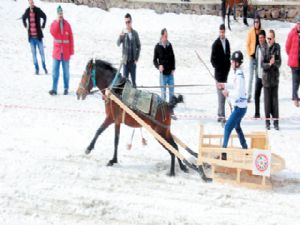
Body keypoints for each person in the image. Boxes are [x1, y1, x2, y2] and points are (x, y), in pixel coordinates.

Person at [217, 51, 248, 153]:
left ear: (237, 63)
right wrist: (224, 85)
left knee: (227, 127)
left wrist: (228, 94)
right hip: (240, 107)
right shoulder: (238, 73)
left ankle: (223, 152)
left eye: (232, 61)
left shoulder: (239, 75)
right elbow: (234, 86)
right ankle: (245, 148)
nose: (231, 63)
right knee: (237, 127)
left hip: (240, 108)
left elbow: (238, 94)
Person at [49, 6, 74, 96]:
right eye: (59, 13)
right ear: (57, 14)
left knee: (66, 72)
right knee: (55, 71)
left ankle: (66, 88)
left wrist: (71, 51)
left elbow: (71, 38)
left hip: (66, 53)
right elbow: (53, 32)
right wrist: (57, 22)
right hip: (57, 53)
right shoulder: (54, 23)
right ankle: (54, 89)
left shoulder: (67, 24)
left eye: (61, 13)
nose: (60, 15)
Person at [211, 24, 231, 125]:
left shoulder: (227, 42)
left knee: (222, 95)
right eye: (221, 32)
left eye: (223, 32)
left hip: (225, 74)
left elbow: (228, 56)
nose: (222, 34)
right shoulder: (215, 44)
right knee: (221, 96)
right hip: (219, 75)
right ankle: (222, 116)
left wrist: (228, 68)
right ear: (219, 32)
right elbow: (212, 60)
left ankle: (220, 114)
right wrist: (217, 67)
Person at [262, 30, 281, 130]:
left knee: (275, 102)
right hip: (266, 80)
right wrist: (269, 64)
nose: (268, 40)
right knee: (267, 102)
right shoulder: (264, 48)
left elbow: (279, 63)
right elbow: (262, 64)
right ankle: (267, 122)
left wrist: (274, 63)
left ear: (274, 38)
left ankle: (276, 122)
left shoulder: (277, 47)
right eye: (267, 38)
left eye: (270, 38)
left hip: (274, 79)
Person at [22, 0, 47, 75]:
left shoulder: (38, 10)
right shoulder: (27, 11)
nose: (31, 4)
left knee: (42, 53)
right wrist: (26, 26)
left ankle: (44, 67)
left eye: (32, 2)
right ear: (29, 3)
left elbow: (45, 17)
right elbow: (23, 18)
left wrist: (43, 26)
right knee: (34, 54)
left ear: (33, 3)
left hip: (38, 37)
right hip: (31, 38)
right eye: (30, 2)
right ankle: (37, 68)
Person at [117, 13, 141, 88]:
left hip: (133, 62)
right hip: (125, 62)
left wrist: (136, 58)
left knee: (133, 82)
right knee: (125, 83)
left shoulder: (135, 33)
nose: (127, 24)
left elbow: (139, 46)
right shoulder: (123, 33)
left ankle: (135, 97)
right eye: (126, 22)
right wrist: (120, 37)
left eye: (128, 22)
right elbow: (117, 43)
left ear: (131, 21)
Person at [153, 28, 176, 102]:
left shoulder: (169, 45)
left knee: (172, 94)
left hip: (170, 74)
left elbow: (173, 58)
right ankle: (164, 111)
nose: (166, 38)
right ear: (162, 36)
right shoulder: (157, 46)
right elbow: (154, 60)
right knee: (163, 95)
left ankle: (171, 111)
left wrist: (173, 68)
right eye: (165, 36)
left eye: (167, 36)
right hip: (162, 75)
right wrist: (158, 66)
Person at [246, 15, 262, 102]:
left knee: (257, 77)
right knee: (251, 77)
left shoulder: (261, 32)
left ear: (259, 23)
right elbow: (247, 45)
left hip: (259, 58)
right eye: (255, 22)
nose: (256, 23)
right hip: (252, 58)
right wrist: (250, 54)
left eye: (258, 22)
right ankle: (249, 95)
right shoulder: (250, 32)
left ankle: (256, 95)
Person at [285, 15, 300, 107]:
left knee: (298, 81)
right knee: (295, 81)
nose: (299, 25)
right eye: (298, 23)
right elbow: (287, 47)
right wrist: (291, 56)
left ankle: (294, 95)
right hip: (294, 62)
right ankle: (295, 98)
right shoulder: (292, 33)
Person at [254, 30, 267, 118]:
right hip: (258, 75)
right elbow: (256, 60)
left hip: (266, 76)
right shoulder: (257, 47)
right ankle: (257, 113)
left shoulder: (268, 48)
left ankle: (269, 114)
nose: (261, 39)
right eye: (259, 38)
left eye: (262, 37)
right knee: (256, 95)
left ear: (265, 38)